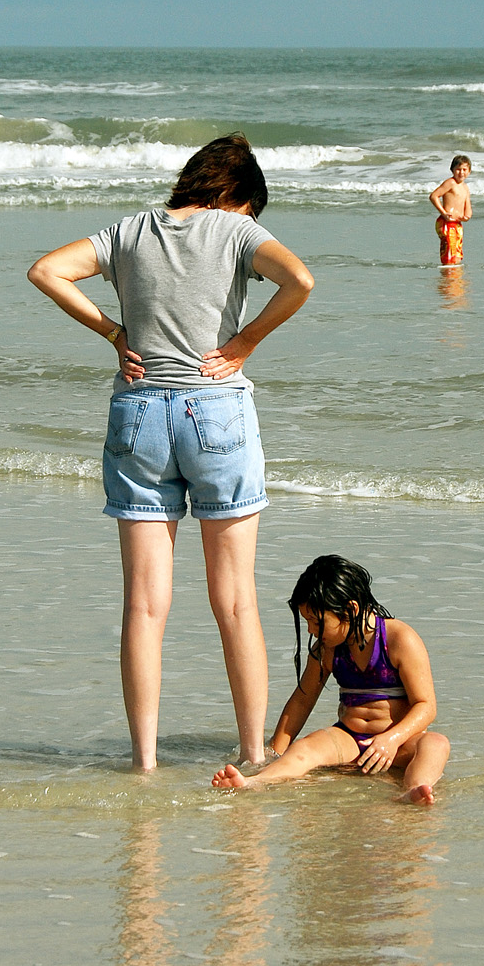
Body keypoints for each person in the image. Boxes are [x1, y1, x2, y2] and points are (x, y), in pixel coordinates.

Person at [27, 133, 314, 772]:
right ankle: (250, 756)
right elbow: (299, 280)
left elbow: (46, 270)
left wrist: (113, 330)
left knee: (144, 603)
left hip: (139, 415)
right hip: (218, 410)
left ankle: (145, 761)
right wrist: (244, 343)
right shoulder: (235, 232)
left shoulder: (130, 231)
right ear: (238, 196)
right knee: (235, 598)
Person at [211, 555, 450, 805]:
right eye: (307, 622)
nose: (312, 630)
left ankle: (412, 790)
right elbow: (302, 701)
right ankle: (255, 782)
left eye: (317, 622)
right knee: (305, 749)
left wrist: (391, 739)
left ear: (351, 610)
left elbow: (426, 705)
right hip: (349, 738)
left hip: (398, 744)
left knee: (436, 744)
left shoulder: (399, 639)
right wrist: (275, 750)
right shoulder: (327, 647)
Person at [429, 154, 473, 265]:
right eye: (458, 169)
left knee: (457, 254)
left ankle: (454, 276)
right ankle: (448, 275)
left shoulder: (465, 187)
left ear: (469, 171)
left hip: (457, 224)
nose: (461, 172)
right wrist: (443, 213)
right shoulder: (450, 183)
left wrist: (467, 216)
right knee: (450, 252)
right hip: (446, 223)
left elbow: (467, 204)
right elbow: (434, 196)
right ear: (452, 170)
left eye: (464, 169)